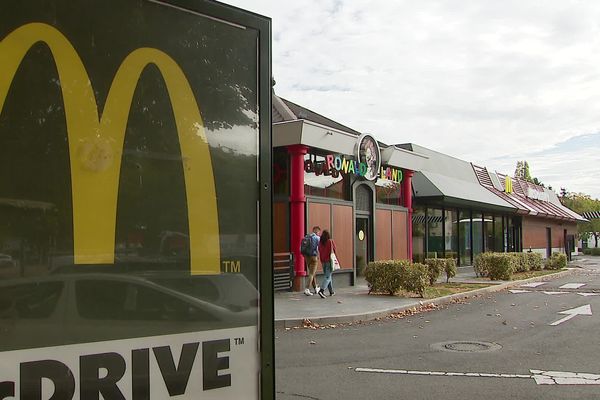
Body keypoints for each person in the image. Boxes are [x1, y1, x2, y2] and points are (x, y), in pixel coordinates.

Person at [317, 229, 336, 298]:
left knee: (328, 275)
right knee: (327, 277)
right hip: (329, 261)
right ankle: (321, 290)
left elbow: (319, 250)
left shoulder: (320, 242)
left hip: (323, 261)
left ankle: (331, 291)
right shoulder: (330, 241)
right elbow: (334, 249)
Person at [304, 226, 321, 296]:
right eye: (319, 232)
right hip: (314, 257)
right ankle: (307, 289)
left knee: (312, 272)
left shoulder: (307, 237)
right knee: (311, 273)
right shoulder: (317, 238)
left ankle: (315, 288)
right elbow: (319, 248)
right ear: (317, 231)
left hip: (307, 257)